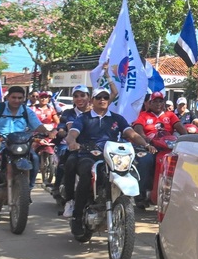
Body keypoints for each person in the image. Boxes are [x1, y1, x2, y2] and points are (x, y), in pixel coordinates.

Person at [62, 87, 151, 232]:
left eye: (105, 97)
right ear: (92, 100)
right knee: (85, 174)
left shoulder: (117, 118)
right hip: (88, 155)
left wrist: (146, 144)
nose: (102, 100)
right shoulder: (83, 118)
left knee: (133, 169)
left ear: (109, 100)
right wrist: (72, 141)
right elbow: (72, 133)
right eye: (98, 97)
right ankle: (77, 217)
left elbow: (132, 134)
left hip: (113, 156)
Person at [0, 86, 51, 193]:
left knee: (35, 158)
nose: (16, 100)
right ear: (8, 97)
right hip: (0, 143)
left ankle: (29, 188)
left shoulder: (27, 112)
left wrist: (47, 132)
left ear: (24, 99)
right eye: (14, 97)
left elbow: (38, 126)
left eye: (19, 98)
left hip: (20, 144)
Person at [132, 91, 187, 203]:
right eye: (155, 101)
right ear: (150, 103)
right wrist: (145, 139)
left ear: (163, 103)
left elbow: (180, 127)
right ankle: (141, 193)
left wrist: (187, 138)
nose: (158, 104)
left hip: (168, 147)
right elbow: (138, 128)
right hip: (150, 146)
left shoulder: (170, 115)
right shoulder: (143, 115)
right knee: (145, 160)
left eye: (160, 101)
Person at [53, 85, 91, 206]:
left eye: (82, 95)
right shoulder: (69, 113)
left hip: (93, 146)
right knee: (66, 159)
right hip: (71, 144)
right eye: (76, 96)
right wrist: (62, 133)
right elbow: (66, 128)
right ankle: (63, 191)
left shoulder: (96, 112)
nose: (79, 99)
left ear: (89, 97)